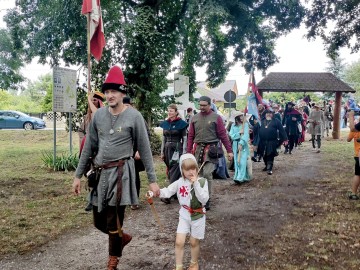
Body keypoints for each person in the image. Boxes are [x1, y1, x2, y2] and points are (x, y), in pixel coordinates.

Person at [72, 65, 160, 270]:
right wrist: (78, 175)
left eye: (114, 91)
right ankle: (122, 238)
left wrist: (153, 180)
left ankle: (113, 259)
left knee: (114, 219)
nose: (110, 95)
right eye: (107, 91)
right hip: (100, 174)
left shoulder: (134, 117)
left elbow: (145, 151)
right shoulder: (99, 116)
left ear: (122, 93)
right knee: (98, 220)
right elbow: (89, 147)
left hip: (122, 174)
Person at [158, 153, 209, 270]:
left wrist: (195, 184)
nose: (191, 172)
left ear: (197, 168)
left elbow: (204, 199)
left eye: (193, 168)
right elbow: (168, 191)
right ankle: (179, 267)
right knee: (179, 242)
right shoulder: (179, 182)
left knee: (193, 242)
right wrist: (156, 192)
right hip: (184, 215)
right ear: (182, 170)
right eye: (187, 169)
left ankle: (194, 263)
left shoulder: (202, 182)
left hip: (198, 215)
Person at [186, 96, 233, 210]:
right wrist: (188, 153)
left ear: (210, 105)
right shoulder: (194, 118)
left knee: (207, 174)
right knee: (198, 175)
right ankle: (199, 197)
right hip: (197, 150)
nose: (201, 107)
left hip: (211, 150)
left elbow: (223, 135)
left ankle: (206, 199)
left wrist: (230, 151)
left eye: (204, 105)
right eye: (200, 105)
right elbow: (191, 136)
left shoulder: (217, 118)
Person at [160, 104, 188, 204]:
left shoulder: (182, 124)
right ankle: (176, 192)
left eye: (171, 111)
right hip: (167, 150)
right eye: (168, 110)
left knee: (175, 171)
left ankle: (168, 195)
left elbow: (185, 139)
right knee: (171, 171)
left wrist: (184, 152)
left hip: (177, 149)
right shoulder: (165, 124)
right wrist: (161, 152)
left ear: (176, 112)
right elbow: (163, 139)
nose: (169, 112)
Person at [123, 97, 147, 210]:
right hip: (123, 153)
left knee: (134, 176)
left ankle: (134, 200)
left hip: (135, 152)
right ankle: (126, 198)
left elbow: (145, 136)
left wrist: (139, 150)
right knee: (124, 176)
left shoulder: (137, 117)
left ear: (131, 105)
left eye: (127, 106)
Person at [258, 109, 288, 175]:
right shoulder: (262, 121)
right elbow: (256, 130)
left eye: (270, 113)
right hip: (262, 141)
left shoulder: (276, 121)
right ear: (265, 114)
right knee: (264, 155)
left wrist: (285, 139)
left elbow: (282, 130)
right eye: (267, 113)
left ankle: (269, 168)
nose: (268, 114)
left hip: (272, 141)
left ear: (272, 114)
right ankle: (266, 166)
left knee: (270, 154)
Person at [229, 113, 251, 183]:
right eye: (240, 116)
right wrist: (239, 133)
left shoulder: (245, 125)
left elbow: (246, 135)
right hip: (235, 144)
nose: (242, 117)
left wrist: (241, 143)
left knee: (242, 161)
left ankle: (240, 178)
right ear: (236, 118)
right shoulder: (233, 125)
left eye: (242, 116)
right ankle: (240, 176)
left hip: (243, 145)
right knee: (236, 161)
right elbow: (231, 135)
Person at [347, 114, 360, 200]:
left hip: (358, 154)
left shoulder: (355, 130)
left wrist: (351, 116)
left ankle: (353, 193)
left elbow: (348, 139)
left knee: (358, 174)